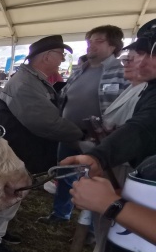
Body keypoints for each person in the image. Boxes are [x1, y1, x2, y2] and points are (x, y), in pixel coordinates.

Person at [61, 18, 156, 252]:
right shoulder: (152, 92)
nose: (140, 62)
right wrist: (100, 157)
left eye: (151, 53)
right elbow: (144, 127)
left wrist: (113, 205)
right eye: (139, 52)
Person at [0, 35, 83, 252]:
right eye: (59, 54)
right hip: (17, 149)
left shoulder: (31, 79)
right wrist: (81, 134)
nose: (62, 59)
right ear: (46, 56)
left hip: (20, 148)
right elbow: (44, 122)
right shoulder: (25, 83)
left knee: (13, 193)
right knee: (9, 193)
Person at [39, 25, 129, 225]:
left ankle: (91, 228)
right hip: (69, 133)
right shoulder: (81, 69)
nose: (91, 45)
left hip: (98, 139)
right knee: (64, 174)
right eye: (89, 41)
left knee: (97, 180)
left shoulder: (121, 73)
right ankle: (61, 214)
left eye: (99, 41)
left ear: (114, 45)